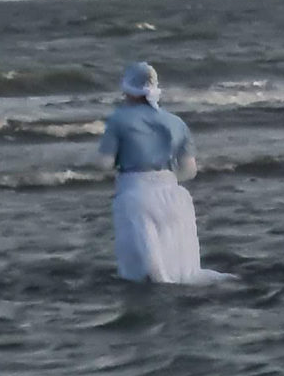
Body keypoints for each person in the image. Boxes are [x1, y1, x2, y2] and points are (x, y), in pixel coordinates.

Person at [97, 62, 229, 285]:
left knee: (143, 275)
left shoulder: (118, 120)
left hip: (136, 196)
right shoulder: (177, 122)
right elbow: (190, 170)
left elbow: (103, 164)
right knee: (182, 271)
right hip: (175, 198)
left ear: (128, 89)